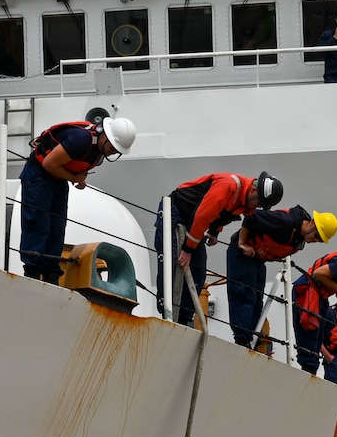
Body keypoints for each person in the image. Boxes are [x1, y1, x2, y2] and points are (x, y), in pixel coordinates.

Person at [155, 172, 282, 328]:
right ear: (254, 191)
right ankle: (166, 315)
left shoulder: (242, 198)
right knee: (172, 267)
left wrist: (214, 231)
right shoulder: (228, 186)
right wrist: (188, 250)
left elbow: (221, 213)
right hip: (176, 213)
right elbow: (202, 216)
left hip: (193, 223)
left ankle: (183, 320)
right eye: (259, 203)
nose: (258, 207)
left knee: (198, 272)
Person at [19, 117, 136, 284]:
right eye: (113, 147)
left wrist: (77, 178)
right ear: (106, 137)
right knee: (38, 223)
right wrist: (74, 177)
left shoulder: (98, 149)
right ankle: (32, 272)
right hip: (39, 176)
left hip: (58, 179)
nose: (113, 152)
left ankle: (51, 274)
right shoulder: (81, 140)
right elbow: (48, 164)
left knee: (57, 227)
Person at [225, 206, 334, 347]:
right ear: (312, 223)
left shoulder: (297, 238)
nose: (315, 240)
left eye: (319, 240)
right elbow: (253, 216)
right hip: (242, 254)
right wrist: (242, 243)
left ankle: (251, 336)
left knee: (256, 298)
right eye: (317, 236)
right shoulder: (285, 222)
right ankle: (242, 339)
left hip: (256, 259)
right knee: (244, 293)